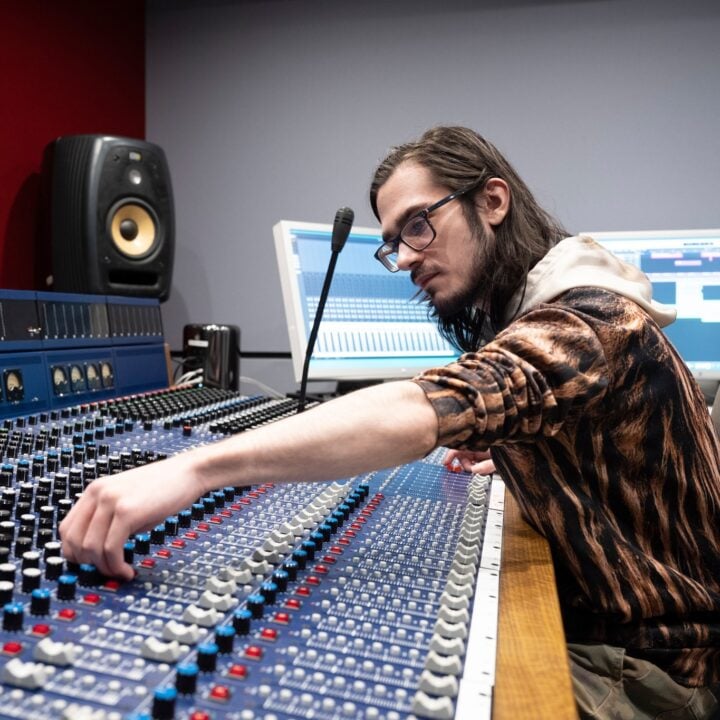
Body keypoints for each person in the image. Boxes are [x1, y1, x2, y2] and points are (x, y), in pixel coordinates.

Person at [60, 126, 720, 719]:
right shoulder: (558, 313)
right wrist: (528, 459)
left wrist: (195, 467)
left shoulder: (591, 322)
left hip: (659, 675)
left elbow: (423, 405)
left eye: (418, 226)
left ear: (491, 202)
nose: (403, 259)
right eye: (392, 244)